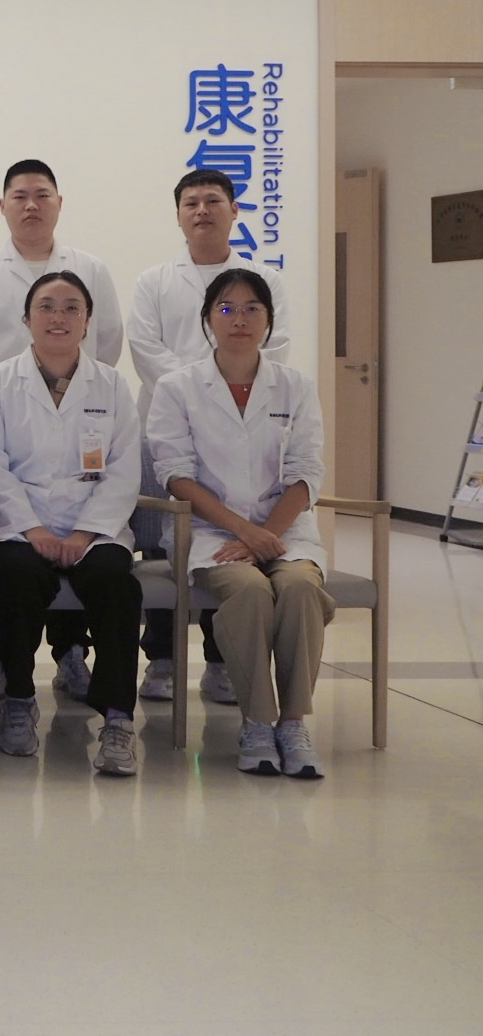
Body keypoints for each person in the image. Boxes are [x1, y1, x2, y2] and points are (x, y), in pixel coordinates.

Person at [147, 269, 333, 778]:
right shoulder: (177, 388)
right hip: (209, 534)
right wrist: (244, 532)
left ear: (269, 320)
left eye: (252, 308)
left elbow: (306, 473)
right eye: (226, 308)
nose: (239, 319)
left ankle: (293, 723)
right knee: (249, 591)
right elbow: (175, 475)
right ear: (208, 319)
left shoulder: (295, 386)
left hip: (285, 532)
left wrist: (262, 536)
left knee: (299, 588)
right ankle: (257, 722)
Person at [129, 167, 294, 704]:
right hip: (165, 430)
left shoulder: (262, 279)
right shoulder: (154, 281)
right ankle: (161, 657)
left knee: (228, 544)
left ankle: (221, 662)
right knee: (162, 545)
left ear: (234, 210)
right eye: (191, 203)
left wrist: (215, 391)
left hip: (242, 432)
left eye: (213, 201)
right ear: (179, 215)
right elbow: (145, 349)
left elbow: (275, 346)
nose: (202, 211)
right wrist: (200, 391)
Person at [0, 272, 144, 775]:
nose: (58, 317)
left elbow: (123, 470)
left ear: (87, 322)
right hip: (20, 526)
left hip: (96, 529)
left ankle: (118, 720)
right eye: (46, 307)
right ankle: (19, 700)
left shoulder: (112, 385)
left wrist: (86, 533)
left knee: (117, 584)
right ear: (26, 319)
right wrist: (34, 529)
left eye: (72, 308)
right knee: (17, 575)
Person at [0, 159, 126, 386]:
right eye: (20, 197)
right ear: (2, 205)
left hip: (79, 395)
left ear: (59, 202)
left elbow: (109, 339)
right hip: (2, 397)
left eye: (42, 196)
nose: (31, 206)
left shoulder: (91, 268)